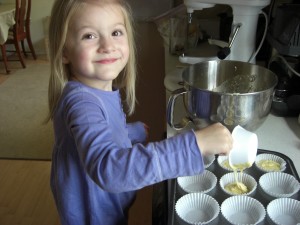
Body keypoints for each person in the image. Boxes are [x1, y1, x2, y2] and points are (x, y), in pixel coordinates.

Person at [46, 0, 233, 224]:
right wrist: (195, 145)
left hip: (107, 205)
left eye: (116, 32)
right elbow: (109, 170)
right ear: (64, 50)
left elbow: (98, 132)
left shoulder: (96, 89)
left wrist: (127, 132)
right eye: (89, 36)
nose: (107, 45)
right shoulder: (82, 104)